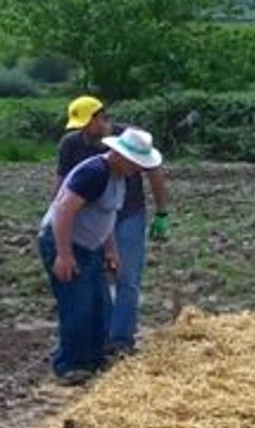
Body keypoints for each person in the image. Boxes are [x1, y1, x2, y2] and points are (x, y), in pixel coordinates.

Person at [37, 126, 164, 385]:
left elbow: (104, 216)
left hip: (90, 245)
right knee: (77, 303)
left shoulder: (118, 176)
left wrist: (110, 249)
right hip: (67, 242)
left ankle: (94, 359)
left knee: (99, 303)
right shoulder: (93, 173)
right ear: (120, 155)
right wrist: (64, 254)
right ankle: (70, 365)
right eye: (136, 163)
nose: (139, 169)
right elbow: (63, 210)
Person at [57, 95, 172, 358]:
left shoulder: (132, 138)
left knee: (127, 277)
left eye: (87, 123)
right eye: (79, 126)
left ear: (100, 118)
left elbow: (155, 173)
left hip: (128, 214)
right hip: (90, 218)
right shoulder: (72, 144)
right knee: (96, 278)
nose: (83, 130)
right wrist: (58, 221)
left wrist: (162, 212)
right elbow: (62, 183)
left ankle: (121, 340)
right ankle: (100, 339)